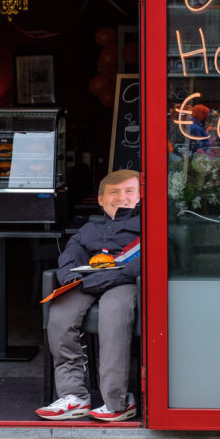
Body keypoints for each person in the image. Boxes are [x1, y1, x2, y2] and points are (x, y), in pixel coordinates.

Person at [36, 169, 141, 422]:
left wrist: (100, 277)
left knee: (113, 313)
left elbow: (145, 257)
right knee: (60, 311)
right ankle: (74, 396)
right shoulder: (91, 227)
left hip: (124, 282)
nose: (121, 198)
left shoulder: (148, 224)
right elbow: (73, 251)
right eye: (113, 192)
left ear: (141, 196)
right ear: (101, 199)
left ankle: (116, 401)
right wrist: (69, 276)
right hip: (88, 281)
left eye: (129, 191)